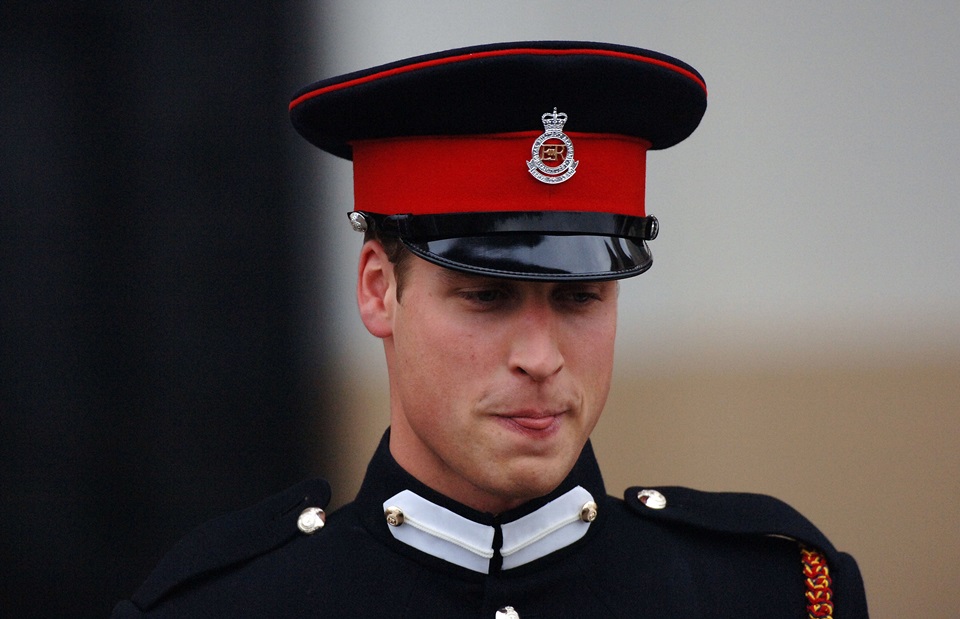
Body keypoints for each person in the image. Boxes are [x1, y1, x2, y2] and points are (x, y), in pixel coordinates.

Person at [113, 41, 869, 618]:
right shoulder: (229, 604)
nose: (540, 358)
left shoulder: (766, 593)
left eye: (580, 299)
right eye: (486, 296)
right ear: (380, 291)